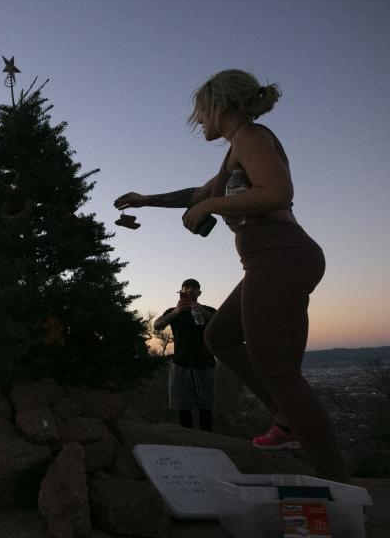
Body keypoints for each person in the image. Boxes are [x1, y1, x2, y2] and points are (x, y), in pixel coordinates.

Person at [114, 69, 348, 482]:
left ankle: (333, 477)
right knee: (219, 335)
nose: (200, 122)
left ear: (220, 105)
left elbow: (278, 192)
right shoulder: (234, 153)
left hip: (280, 256)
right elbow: (198, 194)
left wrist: (211, 208)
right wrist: (146, 200)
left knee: (280, 372)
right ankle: (286, 418)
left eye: (202, 114)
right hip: (269, 259)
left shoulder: (251, 137)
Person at [153, 278, 217, 431]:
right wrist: (176, 312)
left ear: (199, 292)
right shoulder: (173, 312)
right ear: (180, 292)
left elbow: (224, 324)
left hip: (205, 365)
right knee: (183, 408)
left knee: (206, 408)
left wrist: (204, 312)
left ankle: (208, 441)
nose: (190, 290)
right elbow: (157, 326)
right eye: (186, 287)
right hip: (181, 365)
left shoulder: (208, 310)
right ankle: (188, 440)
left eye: (194, 288)